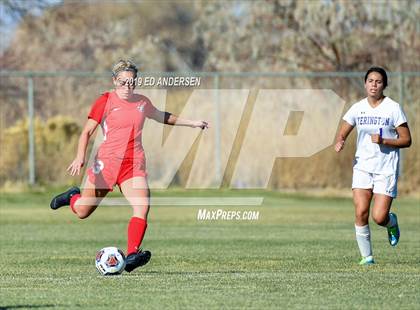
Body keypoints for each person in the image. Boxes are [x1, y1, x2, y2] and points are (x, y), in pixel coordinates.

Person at [50, 59, 209, 272]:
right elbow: (86, 132)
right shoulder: (105, 101)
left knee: (142, 207)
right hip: (106, 164)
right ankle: (72, 197)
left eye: (132, 82)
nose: (128, 86)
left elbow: (163, 116)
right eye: (123, 82)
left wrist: (192, 123)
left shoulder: (142, 102)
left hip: (133, 165)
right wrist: (80, 157)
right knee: (82, 211)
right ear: (114, 81)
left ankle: (133, 253)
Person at [335, 67, 411, 265]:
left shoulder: (393, 108)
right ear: (365, 83)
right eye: (370, 81)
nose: (374, 85)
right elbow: (344, 129)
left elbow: (406, 140)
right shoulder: (358, 107)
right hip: (362, 167)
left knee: (378, 217)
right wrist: (341, 140)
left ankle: (391, 222)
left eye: (378, 81)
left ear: (384, 85)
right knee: (361, 211)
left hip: (385, 168)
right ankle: (367, 257)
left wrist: (384, 140)